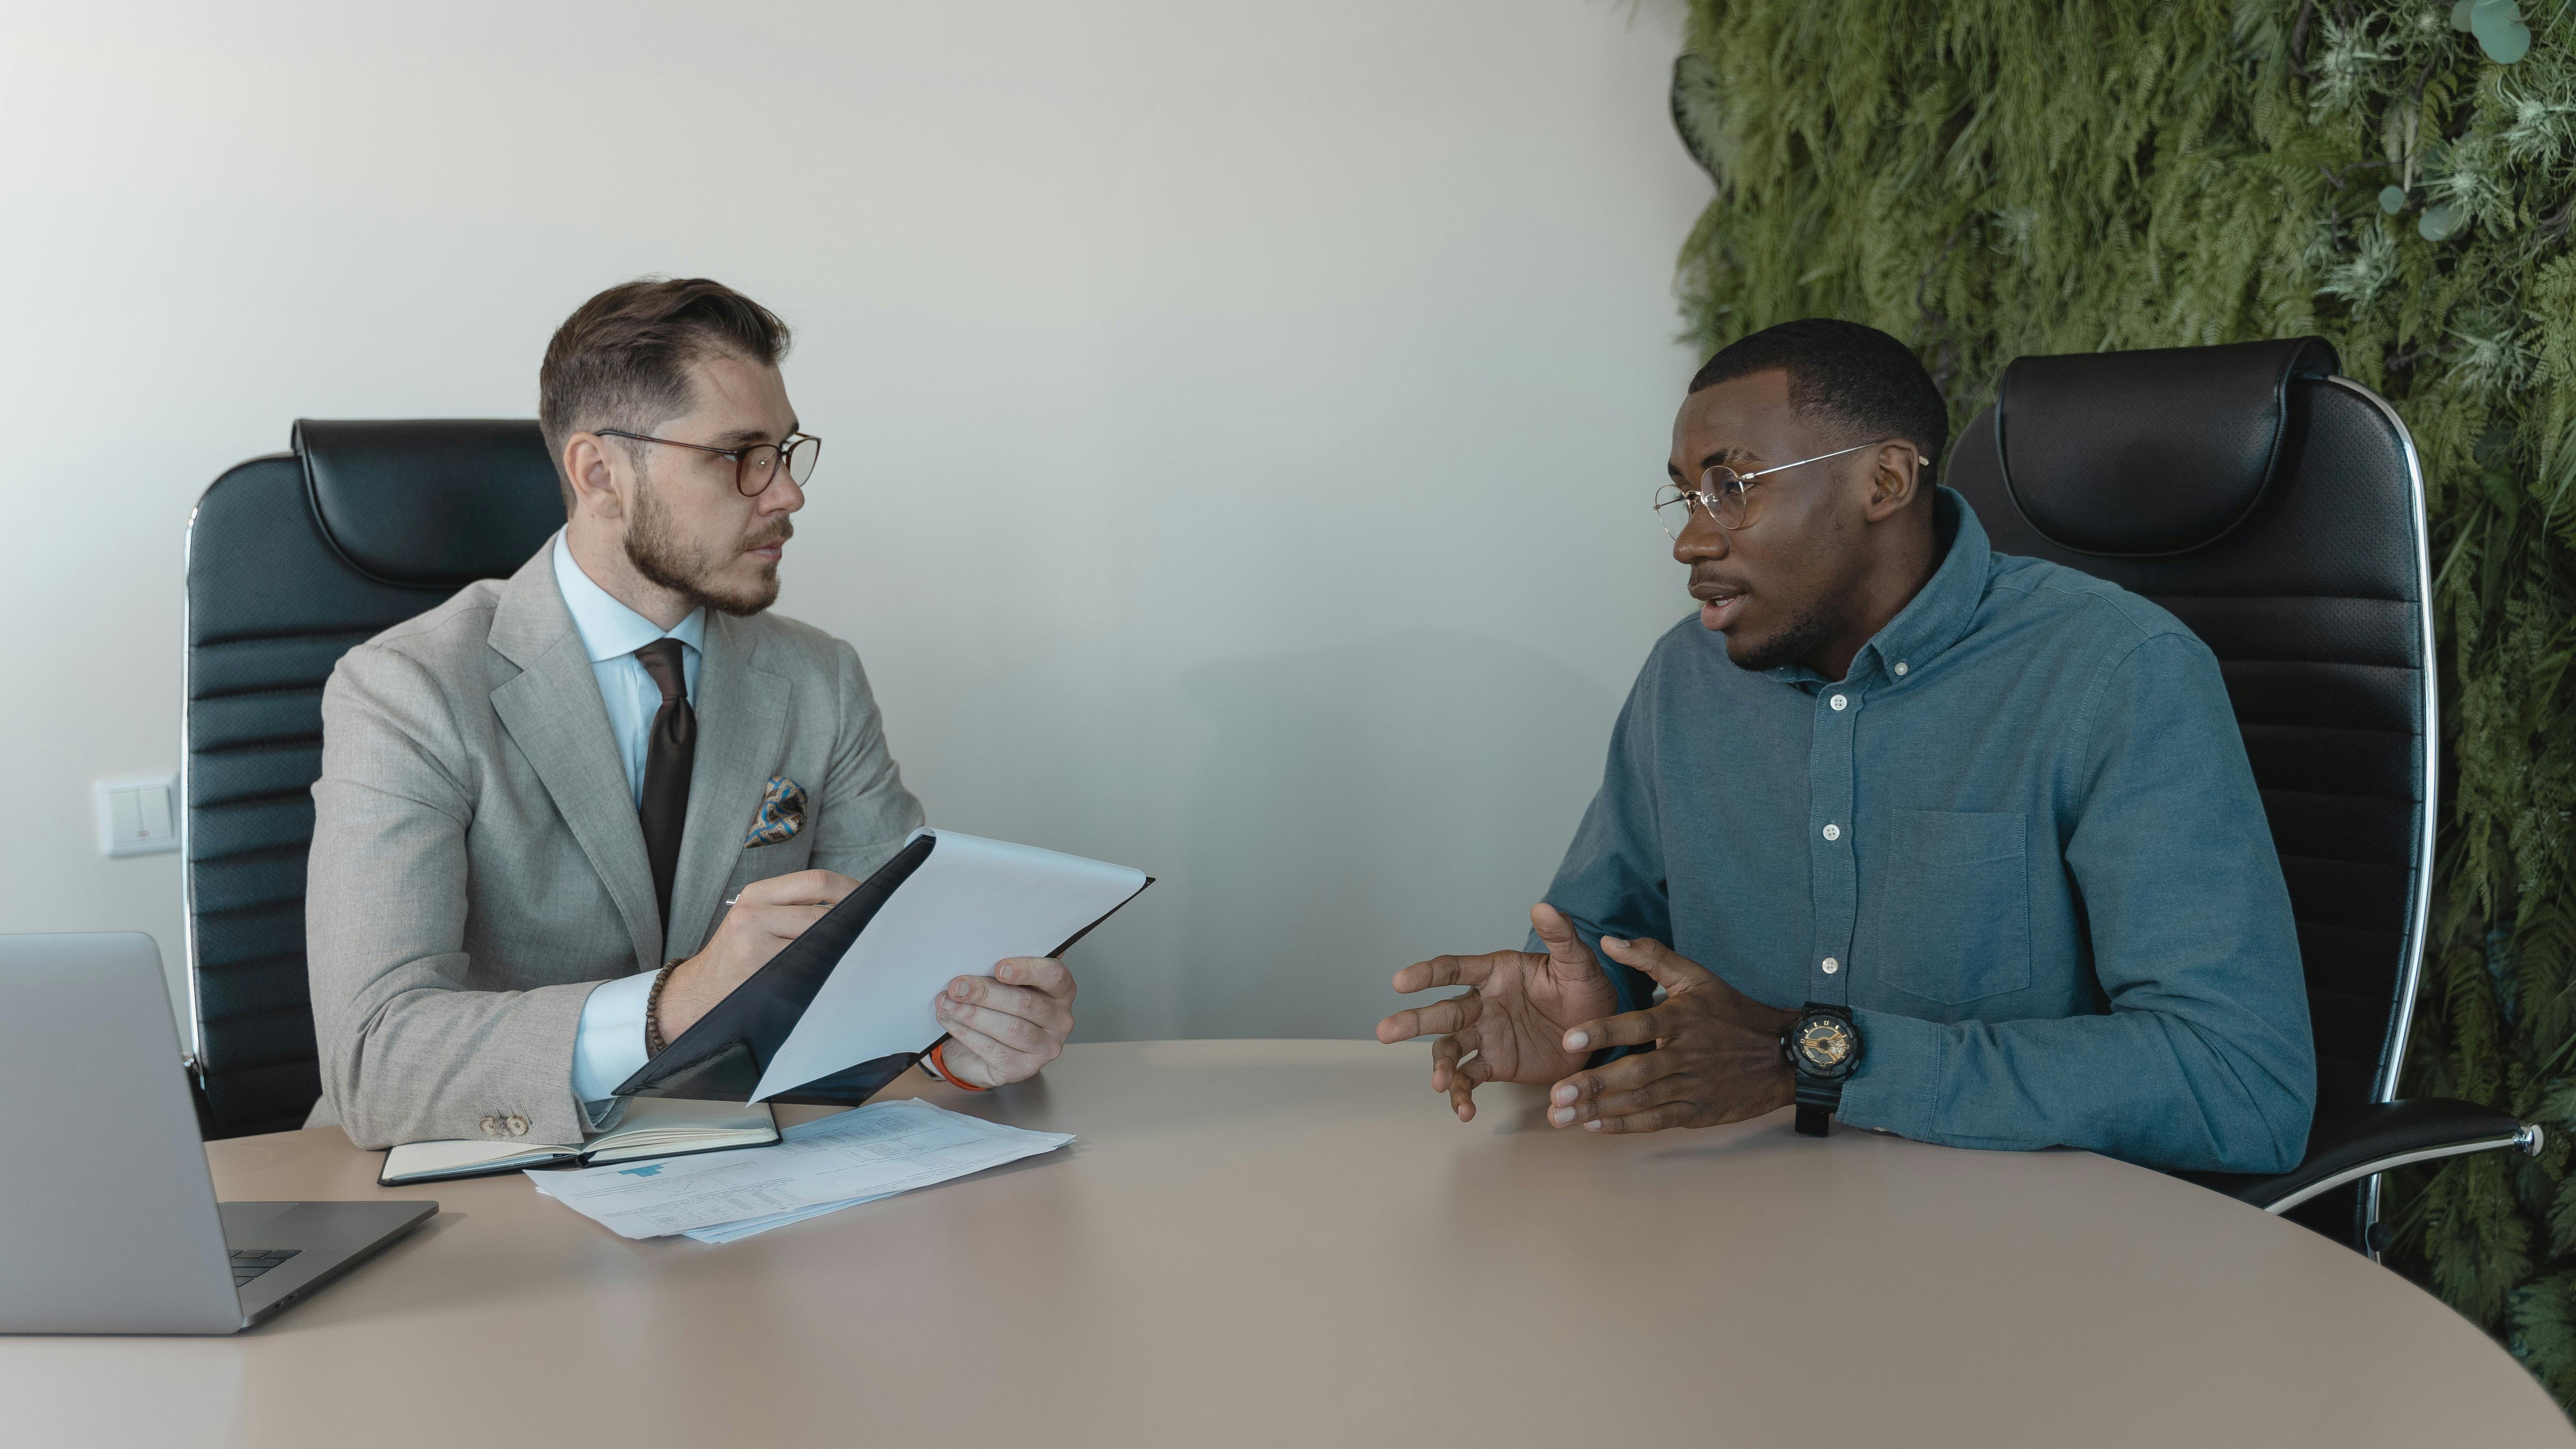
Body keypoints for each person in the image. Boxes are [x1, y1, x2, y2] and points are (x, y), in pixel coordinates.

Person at [1376, 318, 2315, 1173]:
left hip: (2021, 1268)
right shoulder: (1686, 679)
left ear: (1886, 482)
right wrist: (1585, 1021)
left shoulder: (2119, 674)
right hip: (1730, 1234)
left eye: (1731, 487)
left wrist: (1813, 1057)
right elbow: (1608, 950)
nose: (1690, 542)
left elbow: (2240, 1084)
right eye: (1685, 499)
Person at [305, 278, 1075, 1149]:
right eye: (740, 454)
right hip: (480, 1185)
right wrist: (677, 1002)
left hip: (743, 1174)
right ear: (600, 473)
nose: (786, 493)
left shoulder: (819, 678)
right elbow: (374, 1061)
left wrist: (964, 1039)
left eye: (786, 451)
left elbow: (888, 967)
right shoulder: (406, 688)